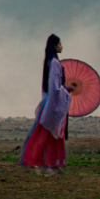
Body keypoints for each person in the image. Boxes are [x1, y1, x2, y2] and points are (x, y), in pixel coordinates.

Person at [19, 34, 76, 173]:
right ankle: (46, 163)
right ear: (55, 46)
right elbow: (55, 87)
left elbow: (51, 86)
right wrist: (66, 91)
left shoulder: (49, 62)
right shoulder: (55, 63)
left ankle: (48, 163)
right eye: (60, 44)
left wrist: (66, 89)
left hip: (49, 102)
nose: (62, 46)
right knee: (49, 134)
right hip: (53, 104)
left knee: (46, 133)